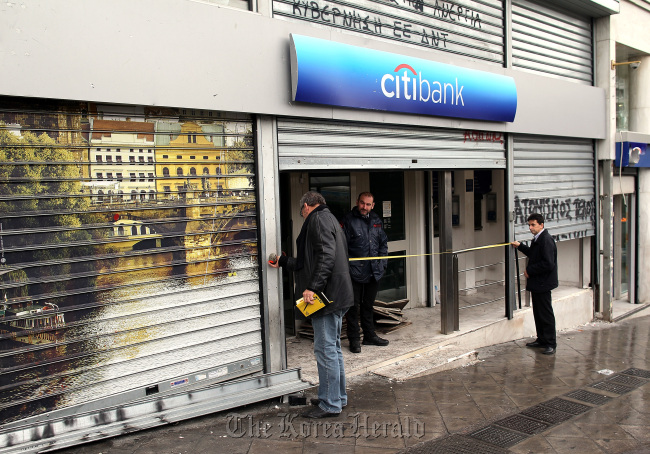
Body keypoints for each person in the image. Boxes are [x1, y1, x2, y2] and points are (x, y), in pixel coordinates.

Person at [269, 191, 353, 418]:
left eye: (301, 211)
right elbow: (310, 260)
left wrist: (312, 288)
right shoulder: (330, 218)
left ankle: (329, 404)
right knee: (332, 349)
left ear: (306, 206)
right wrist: (284, 261)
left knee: (325, 350)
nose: (302, 215)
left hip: (326, 297)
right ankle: (337, 397)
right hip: (337, 294)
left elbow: (326, 255)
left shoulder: (317, 219)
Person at [342, 192, 389, 353]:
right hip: (354, 272)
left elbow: (383, 243)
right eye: (362, 203)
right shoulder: (349, 220)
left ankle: (369, 336)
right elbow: (342, 247)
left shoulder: (376, 220)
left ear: (373, 205)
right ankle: (354, 340)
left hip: (373, 271)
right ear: (357, 202)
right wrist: (347, 269)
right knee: (353, 307)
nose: (364, 207)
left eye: (368, 204)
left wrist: (382, 264)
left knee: (368, 305)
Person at [511, 213, 558, 355]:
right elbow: (534, 254)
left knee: (545, 313)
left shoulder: (546, 240)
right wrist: (520, 246)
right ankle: (542, 339)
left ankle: (550, 343)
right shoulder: (538, 239)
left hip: (543, 283)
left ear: (541, 225)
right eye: (529, 225)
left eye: (533, 225)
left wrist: (530, 270)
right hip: (538, 284)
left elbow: (548, 263)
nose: (530, 228)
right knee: (538, 312)